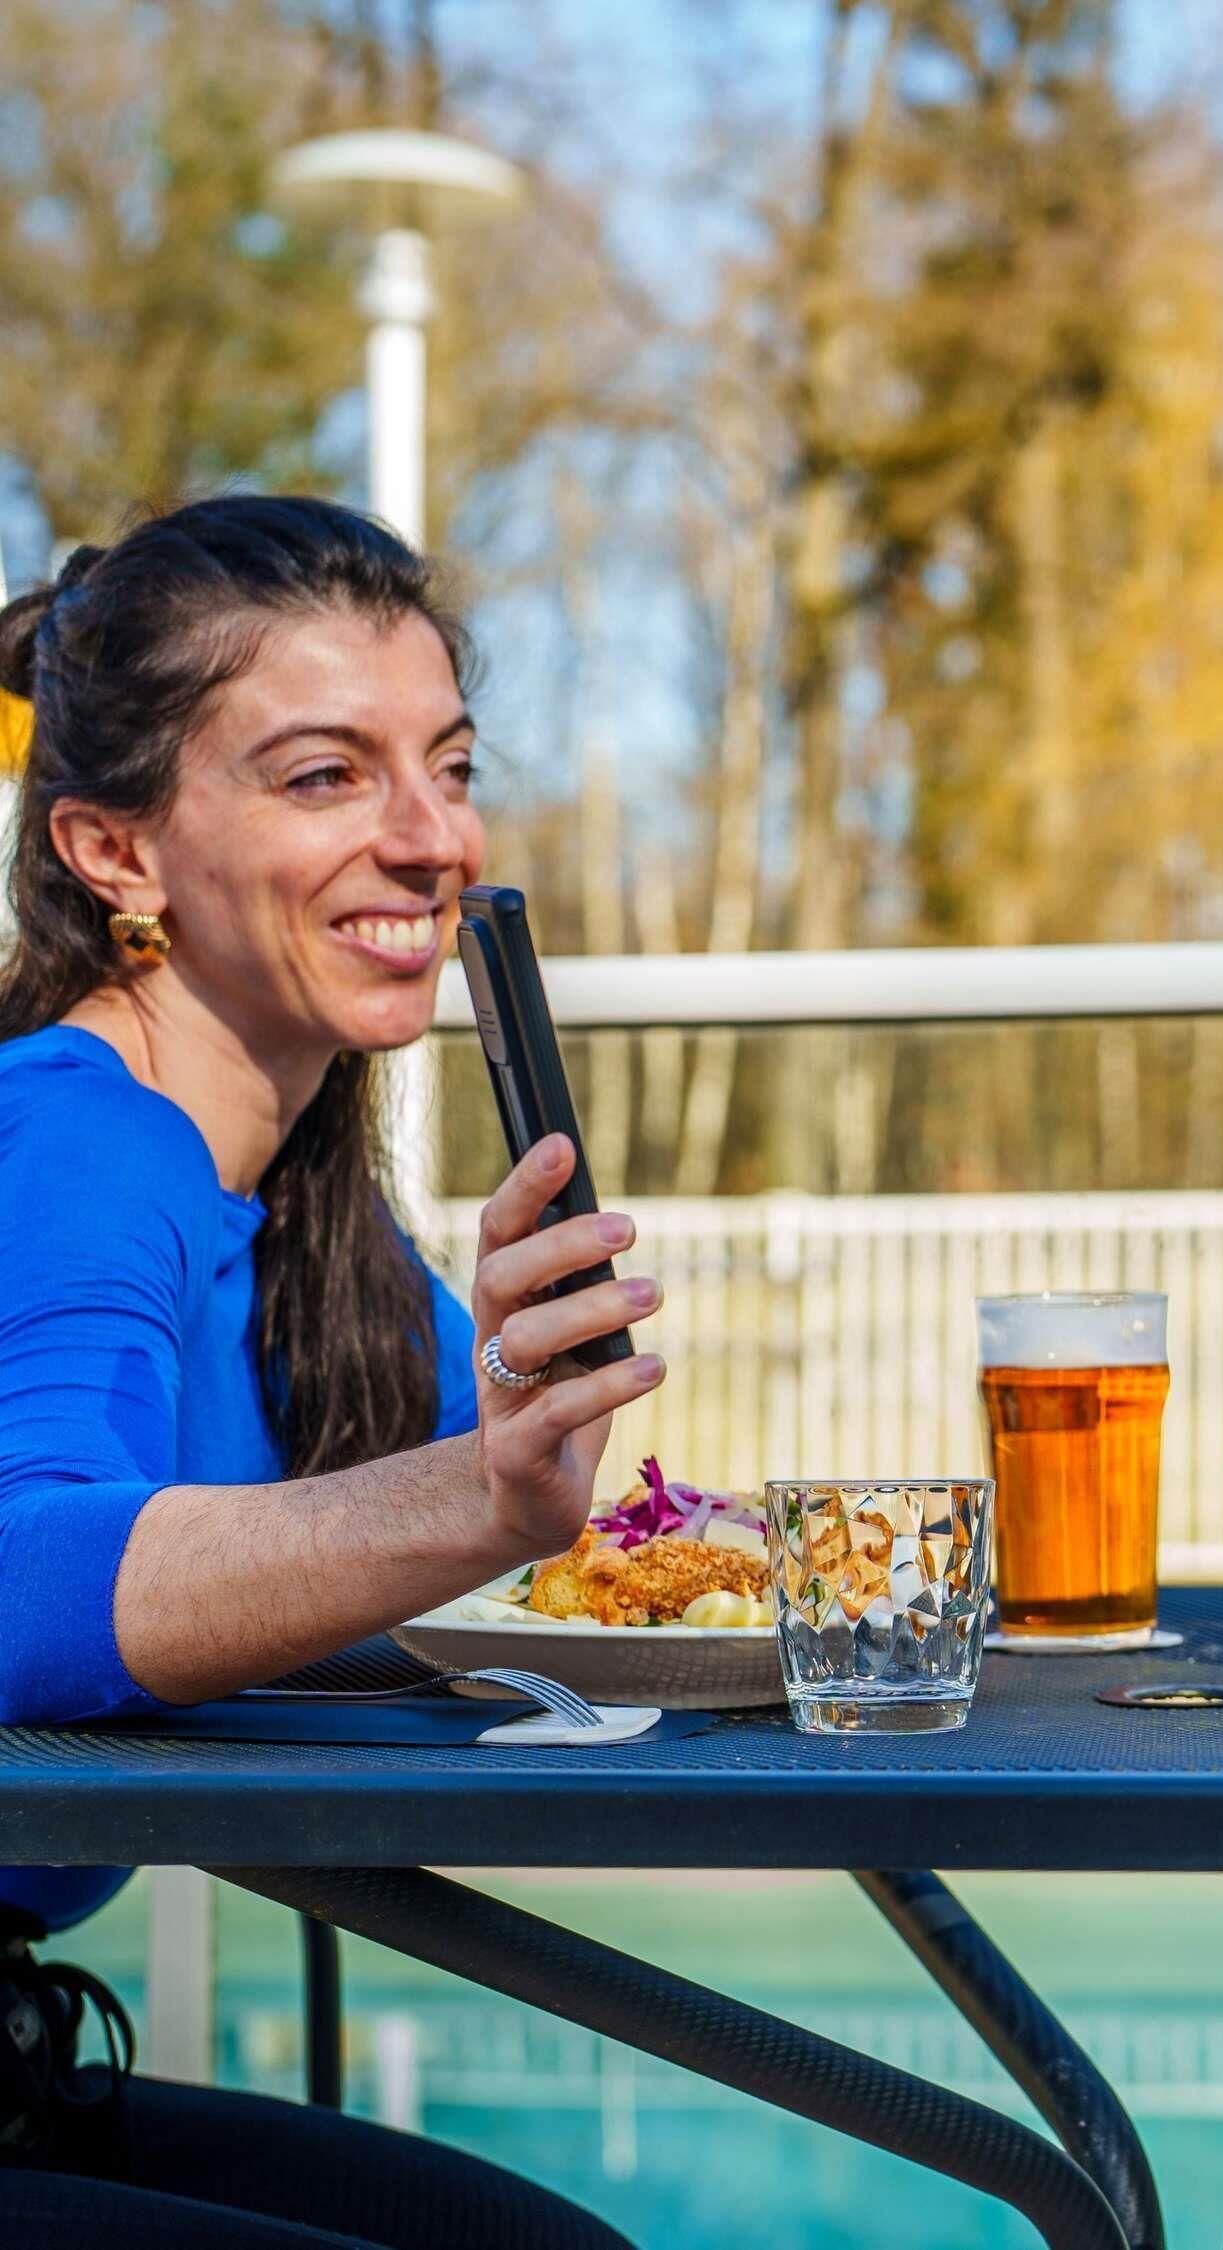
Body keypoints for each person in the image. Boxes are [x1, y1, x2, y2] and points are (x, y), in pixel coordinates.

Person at [0, 495, 667, 2246]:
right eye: (326, 776)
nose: (430, 837)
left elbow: (539, 1548)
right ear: (115, 851)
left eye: (448, 765)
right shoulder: (77, 1141)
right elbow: (16, 1580)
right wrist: (476, 1494)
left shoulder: (310, 1206)